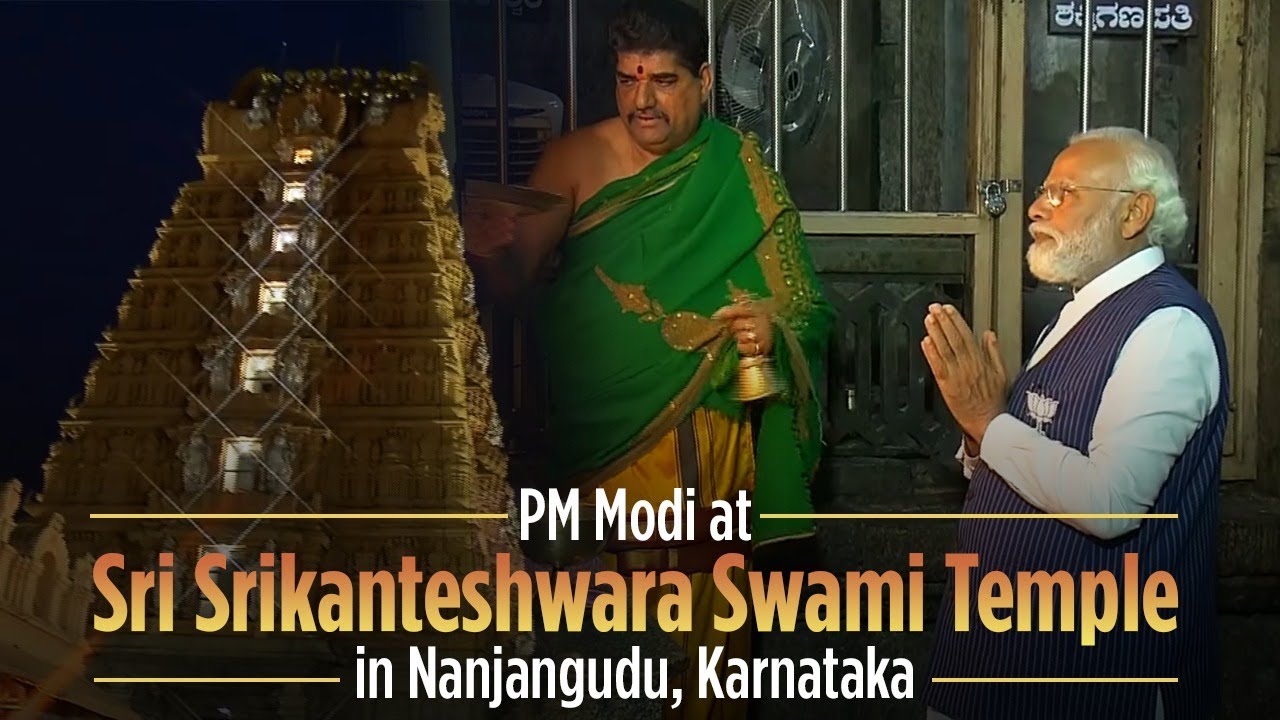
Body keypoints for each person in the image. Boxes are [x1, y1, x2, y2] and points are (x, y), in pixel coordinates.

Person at [463, 1, 833, 716]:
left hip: (708, 429)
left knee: (706, 629)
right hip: (589, 442)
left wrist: (767, 328)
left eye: (662, 81)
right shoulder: (572, 158)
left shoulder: (738, 165)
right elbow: (511, 287)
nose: (642, 100)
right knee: (607, 642)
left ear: (702, 79)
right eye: (628, 80)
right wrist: (489, 247)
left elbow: (804, 304)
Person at [920, 127, 1226, 720]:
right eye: (1043, 189)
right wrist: (979, 433)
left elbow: (1110, 503)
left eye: (1064, 192)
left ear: (1134, 212)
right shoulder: (1079, 311)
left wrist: (989, 418)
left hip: (1090, 680)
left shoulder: (1167, 326)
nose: (1036, 206)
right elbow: (1028, 456)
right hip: (997, 659)